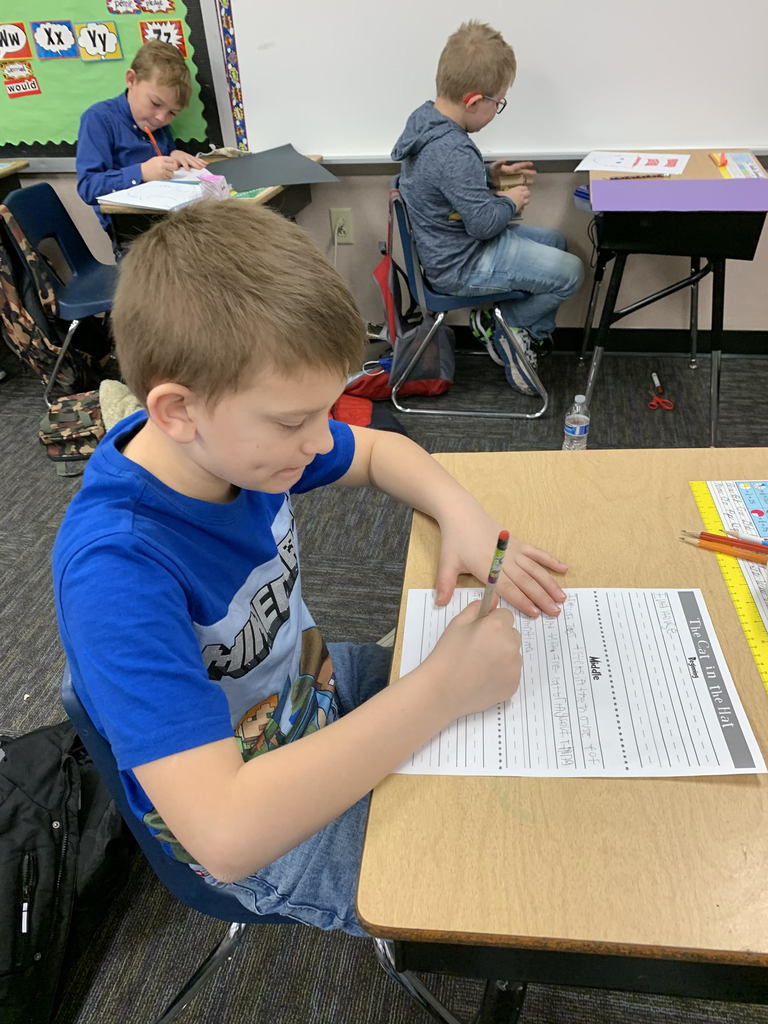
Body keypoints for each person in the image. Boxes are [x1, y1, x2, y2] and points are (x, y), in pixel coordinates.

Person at [52, 199, 568, 936]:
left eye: (324, 409)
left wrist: (465, 518)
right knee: (496, 873)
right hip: (260, 827)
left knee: (533, 746)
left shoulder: (237, 442)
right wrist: (440, 691)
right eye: (297, 421)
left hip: (313, 690)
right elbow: (226, 836)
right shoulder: (118, 570)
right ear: (176, 410)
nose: (318, 439)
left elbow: (382, 452)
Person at [391, 20, 584, 395]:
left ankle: (518, 330)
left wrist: (488, 178)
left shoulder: (426, 122)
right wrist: (509, 203)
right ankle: (508, 327)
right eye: (498, 103)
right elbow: (482, 224)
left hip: (450, 249)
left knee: (558, 243)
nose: (497, 109)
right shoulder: (453, 149)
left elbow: (445, 185)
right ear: (474, 101)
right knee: (572, 272)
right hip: (463, 263)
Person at [76, 40, 206, 232]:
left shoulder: (155, 122)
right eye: (155, 103)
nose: (161, 118)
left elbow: (164, 159)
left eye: (172, 113)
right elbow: (88, 187)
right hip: (132, 234)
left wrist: (174, 155)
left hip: (170, 222)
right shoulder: (98, 119)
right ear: (131, 80)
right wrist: (141, 173)